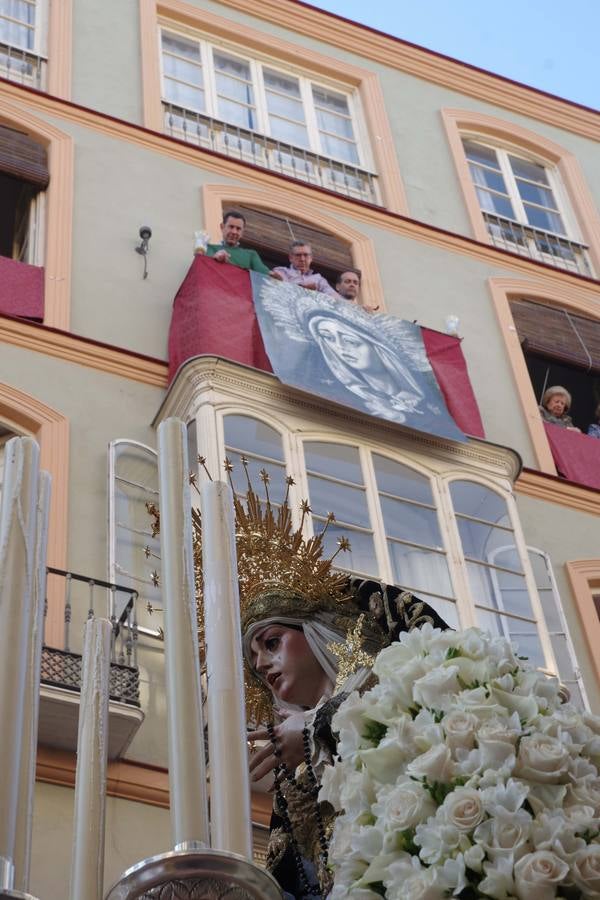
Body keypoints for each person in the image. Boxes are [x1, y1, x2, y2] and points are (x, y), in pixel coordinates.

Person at [307, 310, 426, 422]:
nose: (339, 347)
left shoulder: (423, 403)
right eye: (329, 338)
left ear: (380, 349)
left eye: (350, 341)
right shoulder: (334, 392)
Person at [206, 210, 282, 277]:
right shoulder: (211, 248)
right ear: (222, 227)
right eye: (231, 227)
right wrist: (215, 257)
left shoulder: (251, 255)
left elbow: (264, 273)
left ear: (242, 232)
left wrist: (275, 276)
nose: (234, 232)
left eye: (238, 229)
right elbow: (205, 265)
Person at [273, 242, 339, 296]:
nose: (302, 259)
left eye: (306, 255)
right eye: (298, 255)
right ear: (290, 258)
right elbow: (282, 287)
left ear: (311, 258)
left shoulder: (319, 280)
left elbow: (334, 297)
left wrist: (315, 292)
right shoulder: (282, 271)